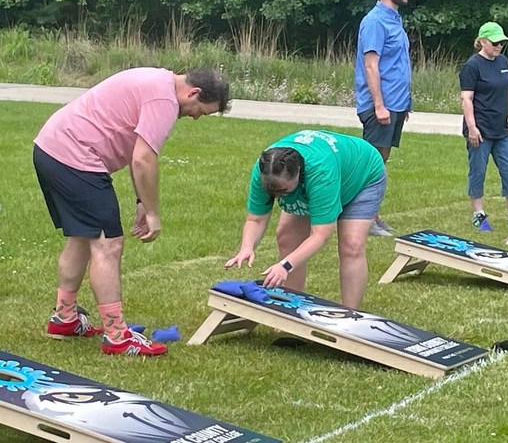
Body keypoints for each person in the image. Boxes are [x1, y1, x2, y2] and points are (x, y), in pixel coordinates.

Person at [34, 67, 230, 356]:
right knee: (108, 243)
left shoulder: (157, 81)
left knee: (83, 236)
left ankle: (65, 319)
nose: (197, 116)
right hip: (75, 157)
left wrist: (141, 201)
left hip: (51, 148)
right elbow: (142, 160)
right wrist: (153, 213)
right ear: (194, 92)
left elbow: (133, 151)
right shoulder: (164, 102)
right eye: (202, 110)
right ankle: (117, 336)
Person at [225, 129, 386, 309]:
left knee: (351, 246)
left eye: (282, 191)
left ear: (299, 174)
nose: (276, 196)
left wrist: (285, 266)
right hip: (328, 170)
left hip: (362, 174)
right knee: (287, 238)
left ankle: (350, 316)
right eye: (271, 192)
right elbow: (255, 219)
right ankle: (291, 306)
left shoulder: (320, 174)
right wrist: (247, 247)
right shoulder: (266, 170)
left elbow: (321, 234)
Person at [354, 0, 413, 237]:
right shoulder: (375, 21)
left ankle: (372, 215)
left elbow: (398, 64)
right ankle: (362, 219)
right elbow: (371, 66)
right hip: (381, 105)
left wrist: (404, 103)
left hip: (395, 104)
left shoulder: (394, 19)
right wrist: (379, 105)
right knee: (372, 161)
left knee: (381, 160)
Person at [459, 22, 508, 229]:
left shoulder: (503, 61)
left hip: (501, 129)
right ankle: (478, 213)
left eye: (502, 42)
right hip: (480, 129)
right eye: (495, 42)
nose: (499, 46)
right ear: (483, 41)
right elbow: (467, 99)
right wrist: (472, 128)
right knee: (478, 171)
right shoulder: (472, 66)